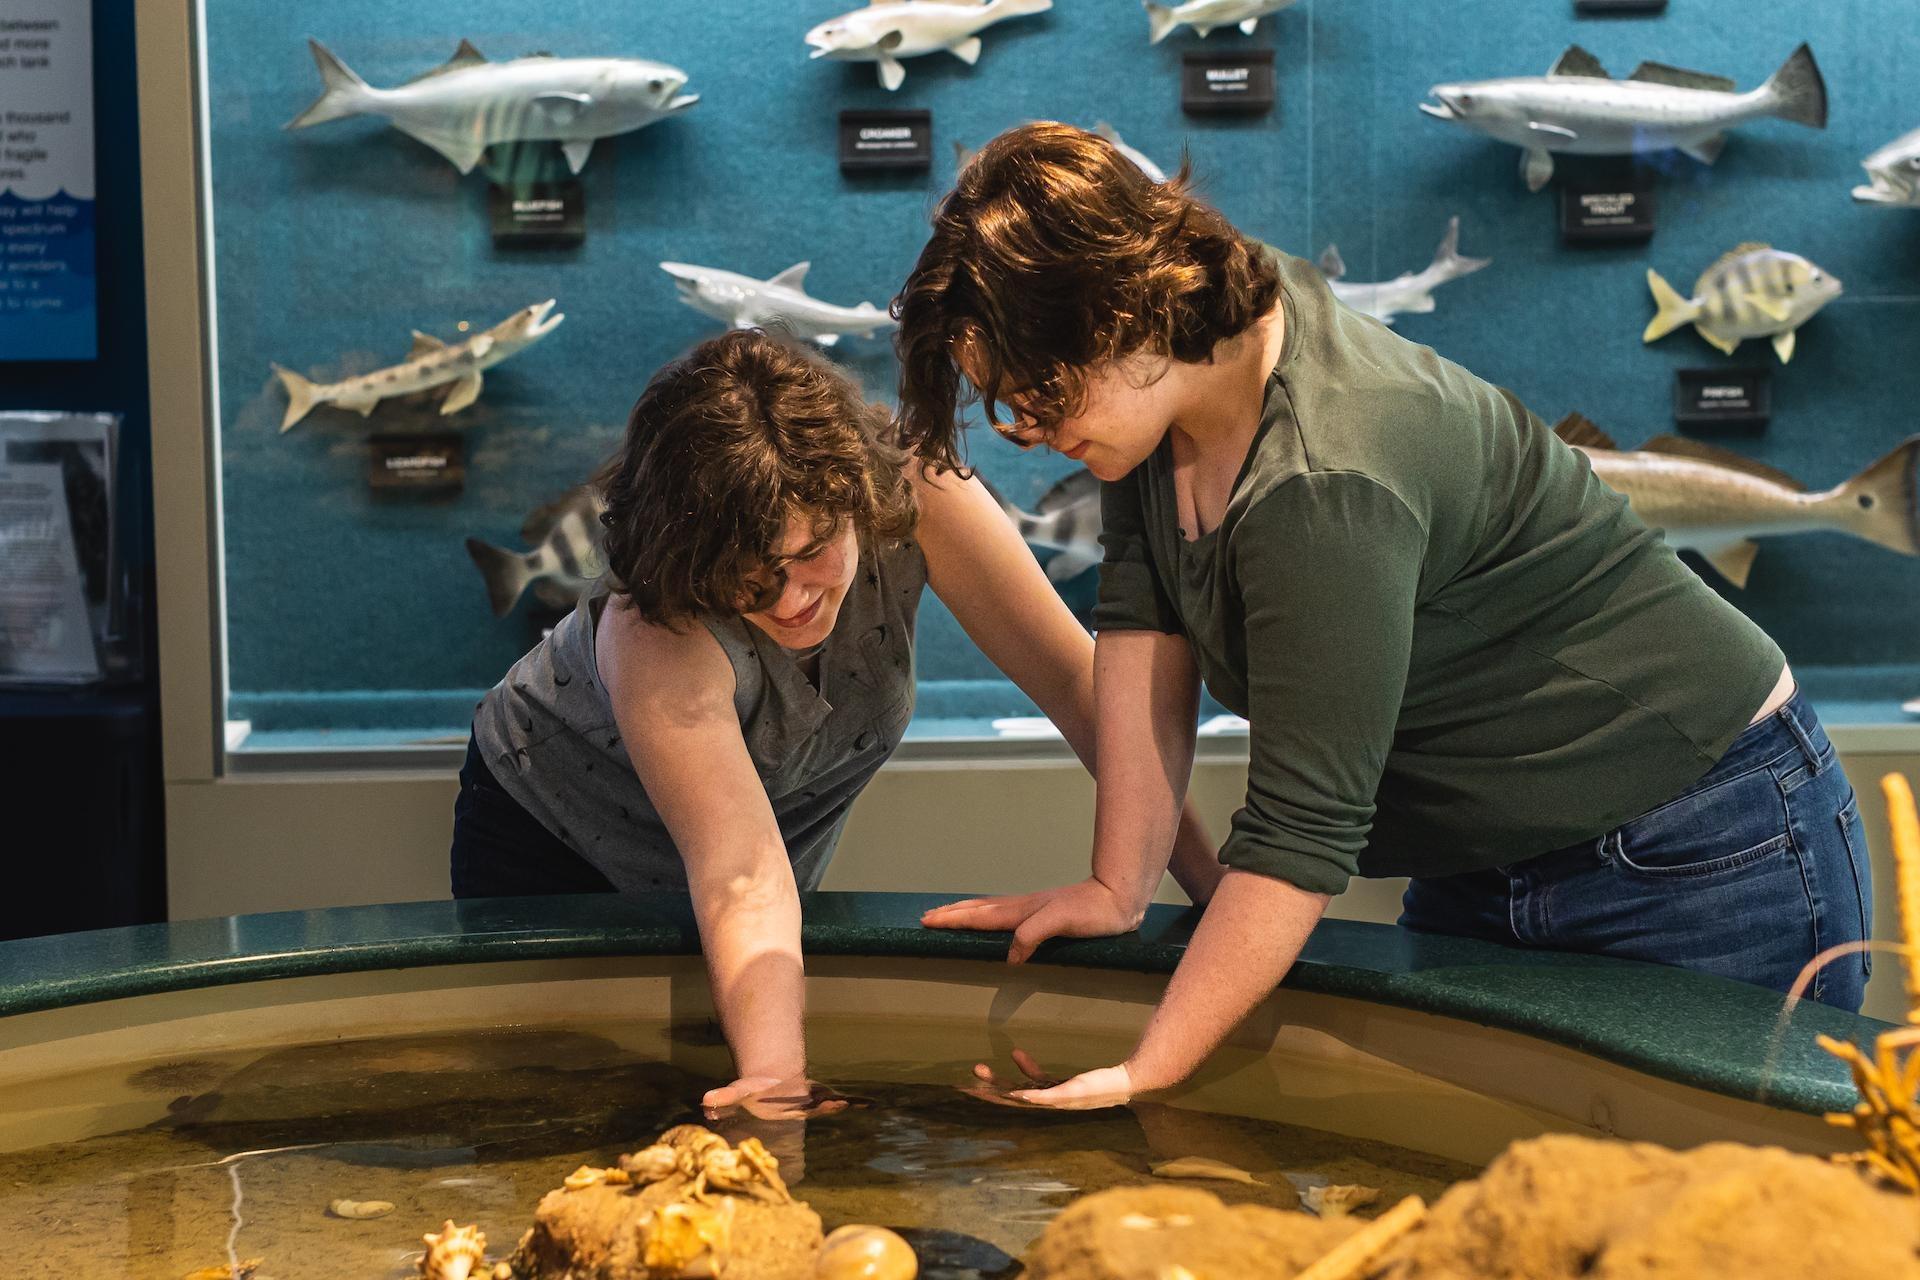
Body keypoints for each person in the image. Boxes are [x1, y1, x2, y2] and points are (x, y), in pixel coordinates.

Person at [894, 122, 1873, 1107]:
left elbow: (1298, 832)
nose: (1032, 432)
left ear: (1124, 308)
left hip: (1699, 838)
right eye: (1005, 406)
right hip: (1484, 851)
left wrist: (1149, 1065)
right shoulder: (1188, 366)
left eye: (1039, 393)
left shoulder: (1324, 477)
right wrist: (1118, 884)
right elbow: (1146, 616)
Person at [453, 328, 1221, 1110]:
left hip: (757, 861)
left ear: (853, 495)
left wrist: (1215, 895)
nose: (790, 602)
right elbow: (741, 879)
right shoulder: (656, 623)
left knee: (714, 1065)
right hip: (554, 834)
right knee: (563, 1106)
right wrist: (778, 1086)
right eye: (749, 582)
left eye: (813, 551)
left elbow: (1081, 687)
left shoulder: (918, 487)